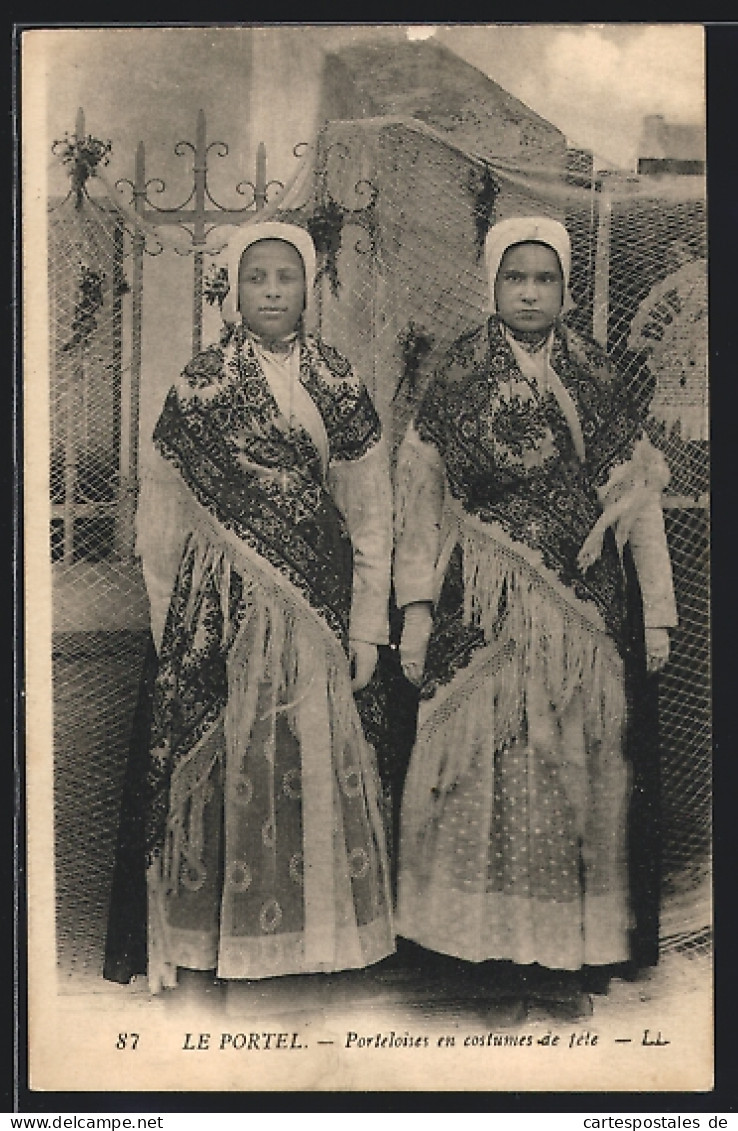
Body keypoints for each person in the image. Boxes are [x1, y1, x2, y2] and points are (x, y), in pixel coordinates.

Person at [393, 216, 677, 1020]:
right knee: (476, 772)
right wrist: (415, 615)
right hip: (478, 617)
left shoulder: (592, 369)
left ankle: (559, 958)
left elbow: (637, 502)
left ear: (564, 288)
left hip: (579, 620)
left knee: (569, 775)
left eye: (544, 278)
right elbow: (419, 505)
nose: (528, 292)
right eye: (515, 278)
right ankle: (474, 955)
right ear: (492, 284)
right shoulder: (456, 375)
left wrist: (656, 614)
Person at [104, 221, 394, 997]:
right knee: (230, 765)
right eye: (257, 277)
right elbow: (161, 523)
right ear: (233, 289)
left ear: (309, 288)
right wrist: (172, 629)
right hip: (218, 614)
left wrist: (368, 625)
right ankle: (214, 945)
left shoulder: (337, 381)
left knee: (303, 762)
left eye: (286, 277)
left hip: (313, 611)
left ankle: (307, 943)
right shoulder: (199, 385)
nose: (272, 291)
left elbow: (370, 513)